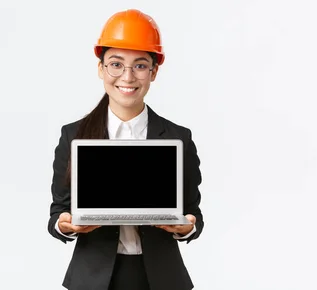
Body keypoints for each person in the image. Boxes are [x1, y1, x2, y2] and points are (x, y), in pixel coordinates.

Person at [47, 9, 204, 290]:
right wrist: (66, 225)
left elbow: (193, 213)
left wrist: (187, 228)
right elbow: (57, 213)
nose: (128, 76)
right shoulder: (73, 136)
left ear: (154, 72)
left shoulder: (178, 138)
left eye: (141, 65)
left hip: (161, 278)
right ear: (101, 68)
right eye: (116, 64)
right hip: (93, 278)